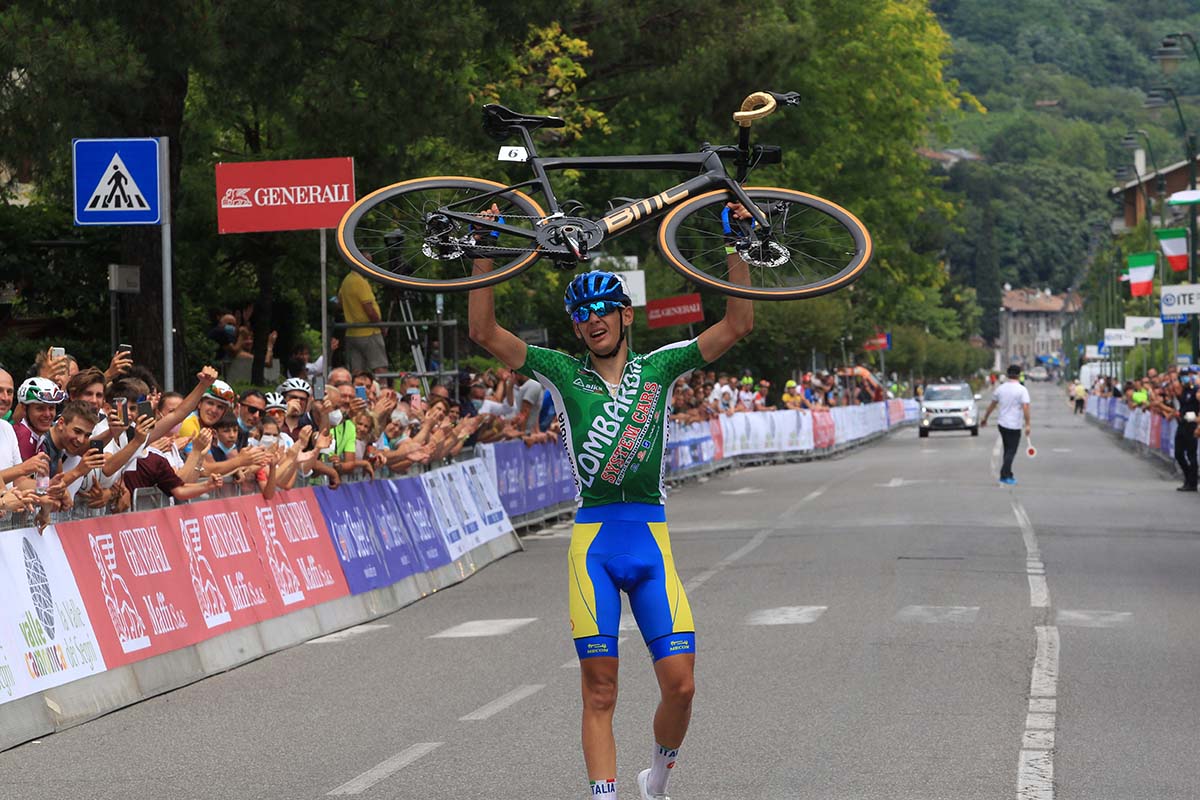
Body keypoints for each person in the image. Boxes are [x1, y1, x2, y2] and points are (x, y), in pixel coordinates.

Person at [469, 220, 754, 800]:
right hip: (593, 544)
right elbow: (483, 330)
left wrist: (737, 245)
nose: (592, 320)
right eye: (582, 314)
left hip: (650, 539)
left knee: (681, 686)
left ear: (626, 315)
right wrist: (483, 254)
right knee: (600, 692)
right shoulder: (560, 372)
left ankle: (658, 778)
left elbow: (738, 324)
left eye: (603, 309)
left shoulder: (661, 368)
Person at [980, 364, 1032, 485]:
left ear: (1008, 374)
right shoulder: (1022, 390)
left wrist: (985, 418)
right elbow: (1025, 407)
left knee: (1007, 449)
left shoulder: (1000, 389)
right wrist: (1028, 424)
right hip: (1014, 425)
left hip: (1002, 424)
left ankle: (1008, 474)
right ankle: (1004, 474)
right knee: (1011, 451)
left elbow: (992, 405)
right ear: (1019, 375)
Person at [338, 267, 388, 375]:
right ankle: (384, 390)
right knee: (379, 367)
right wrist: (381, 326)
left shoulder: (346, 281)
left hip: (352, 332)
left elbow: (340, 301)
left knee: (357, 371)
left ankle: (359, 391)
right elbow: (369, 309)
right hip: (369, 332)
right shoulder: (360, 282)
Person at [1170, 369, 1198, 492]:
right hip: (1182, 424)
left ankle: (1192, 483)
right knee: (1178, 453)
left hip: (1192, 424)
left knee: (1191, 455)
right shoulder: (1184, 391)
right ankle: (1188, 477)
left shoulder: (1195, 391)